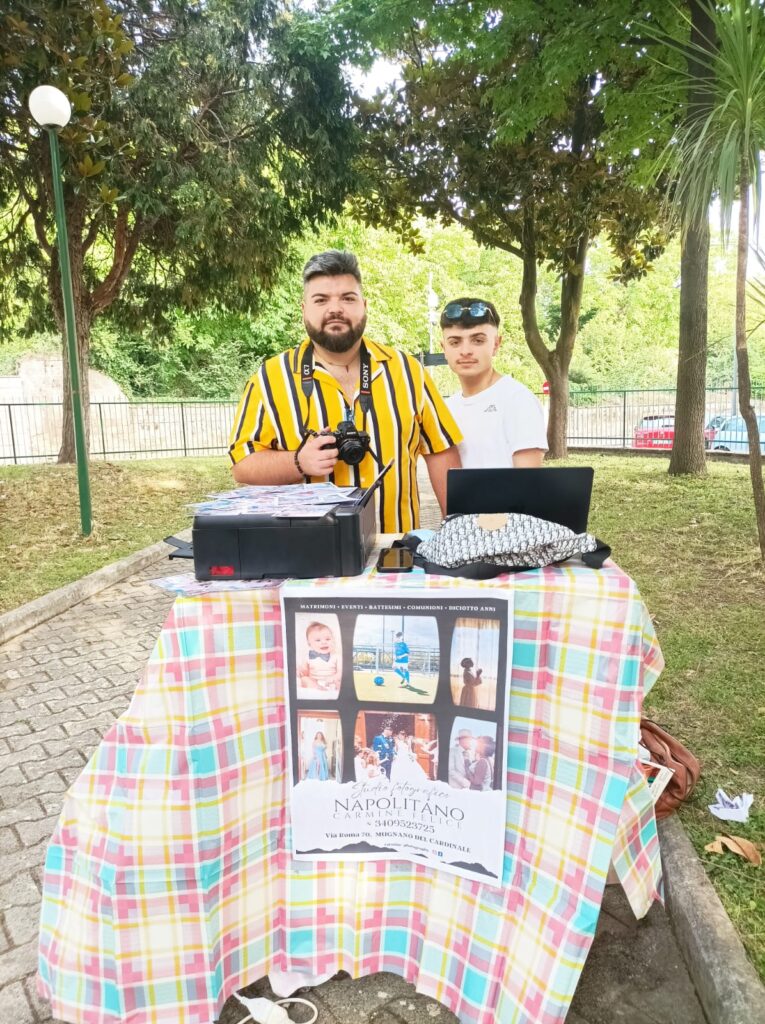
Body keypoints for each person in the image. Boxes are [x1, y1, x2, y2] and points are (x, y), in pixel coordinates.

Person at [228, 250, 463, 532]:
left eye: (347, 298)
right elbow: (243, 465)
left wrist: (457, 529)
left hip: (396, 554)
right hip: (307, 558)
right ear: (304, 309)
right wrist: (297, 461)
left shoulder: (407, 371)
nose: (335, 309)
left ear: (364, 305)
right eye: (321, 299)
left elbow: (441, 452)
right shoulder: (269, 378)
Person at [440, 298, 547, 468]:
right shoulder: (446, 408)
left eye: (478, 340)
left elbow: (527, 486)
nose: (466, 351)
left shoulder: (517, 400)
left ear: (496, 345)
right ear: (443, 348)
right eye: (455, 342)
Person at [297, 621, 341, 693]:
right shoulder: (308, 657)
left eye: (328, 639)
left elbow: (341, 672)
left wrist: (334, 678)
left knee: (341, 681)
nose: (324, 642)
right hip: (314, 682)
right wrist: (299, 671)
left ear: (333, 640)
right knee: (304, 679)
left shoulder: (336, 657)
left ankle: (335, 690)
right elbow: (304, 672)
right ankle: (317, 688)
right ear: (309, 644)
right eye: (318, 640)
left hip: (331, 682)